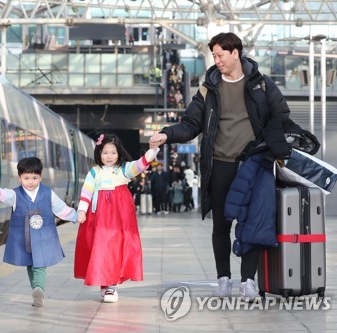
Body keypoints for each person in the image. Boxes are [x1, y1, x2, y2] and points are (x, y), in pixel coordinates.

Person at [149, 32, 291, 301]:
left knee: (253, 222)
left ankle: (248, 281)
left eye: (220, 55)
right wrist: (167, 134)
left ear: (235, 53)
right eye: (214, 55)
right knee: (221, 225)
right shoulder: (209, 88)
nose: (216, 60)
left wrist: (271, 144)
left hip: (254, 164)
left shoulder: (261, 84)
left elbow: (281, 114)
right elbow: (191, 124)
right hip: (220, 164)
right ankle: (223, 278)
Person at [74, 134, 159, 302]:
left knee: (115, 248)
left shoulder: (124, 170)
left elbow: (140, 165)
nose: (109, 156)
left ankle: (111, 286)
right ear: (99, 153)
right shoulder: (94, 172)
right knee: (100, 248)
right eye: (105, 153)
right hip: (97, 217)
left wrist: (153, 150)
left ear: (119, 153)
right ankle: (105, 285)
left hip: (119, 218)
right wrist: (82, 210)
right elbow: (86, 192)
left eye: (113, 153)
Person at [0, 157, 77, 307]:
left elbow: (61, 208)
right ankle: (36, 289)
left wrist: (76, 216)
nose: (31, 181)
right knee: (30, 264)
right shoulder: (15, 195)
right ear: (19, 178)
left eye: (35, 177)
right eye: (26, 178)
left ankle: (38, 288)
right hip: (24, 238)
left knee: (40, 264)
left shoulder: (48, 193)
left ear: (40, 177)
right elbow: (1, 195)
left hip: (44, 237)